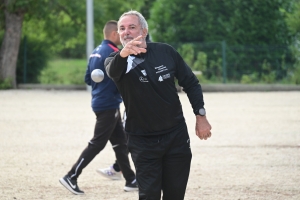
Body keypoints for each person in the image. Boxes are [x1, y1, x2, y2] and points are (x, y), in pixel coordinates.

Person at [105, 11, 212, 200]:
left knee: (175, 195)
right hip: (141, 140)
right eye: (122, 28)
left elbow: (191, 82)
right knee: (149, 195)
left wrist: (200, 116)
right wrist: (123, 54)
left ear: (144, 31)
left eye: (132, 27)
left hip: (175, 136)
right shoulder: (115, 62)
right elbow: (113, 72)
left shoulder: (165, 52)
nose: (126, 32)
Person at [59, 20, 138, 195]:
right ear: (113, 34)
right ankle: (71, 176)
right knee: (97, 143)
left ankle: (131, 179)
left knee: (120, 143)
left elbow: (89, 79)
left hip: (101, 102)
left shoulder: (95, 52)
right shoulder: (114, 53)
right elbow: (122, 77)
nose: (123, 35)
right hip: (108, 104)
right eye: (120, 31)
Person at [97, 33, 152, 180]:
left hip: (140, 108)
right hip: (138, 107)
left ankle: (119, 169)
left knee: (132, 139)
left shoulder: (137, 58)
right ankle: (119, 169)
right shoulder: (129, 57)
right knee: (129, 139)